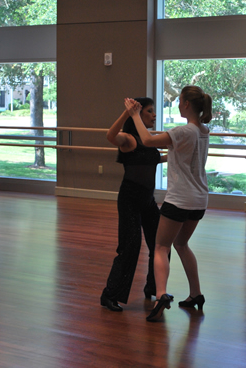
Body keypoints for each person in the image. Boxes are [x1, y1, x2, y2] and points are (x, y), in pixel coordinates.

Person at [125, 85, 212, 322]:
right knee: (182, 244)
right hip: (199, 199)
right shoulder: (204, 131)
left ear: (186, 104)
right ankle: (196, 294)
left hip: (180, 199)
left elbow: (146, 139)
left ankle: (161, 293)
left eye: (179, 100)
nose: (177, 104)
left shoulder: (184, 131)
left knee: (161, 246)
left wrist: (134, 114)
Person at [100, 97, 167, 312]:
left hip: (148, 200)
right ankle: (109, 295)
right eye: (150, 111)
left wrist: (178, 154)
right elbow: (110, 136)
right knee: (130, 247)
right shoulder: (128, 138)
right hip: (130, 199)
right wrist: (126, 114)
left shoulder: (147, 139)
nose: (154, 115)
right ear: (139, 114)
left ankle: (154, 286)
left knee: (161, 244)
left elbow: (153, 159)